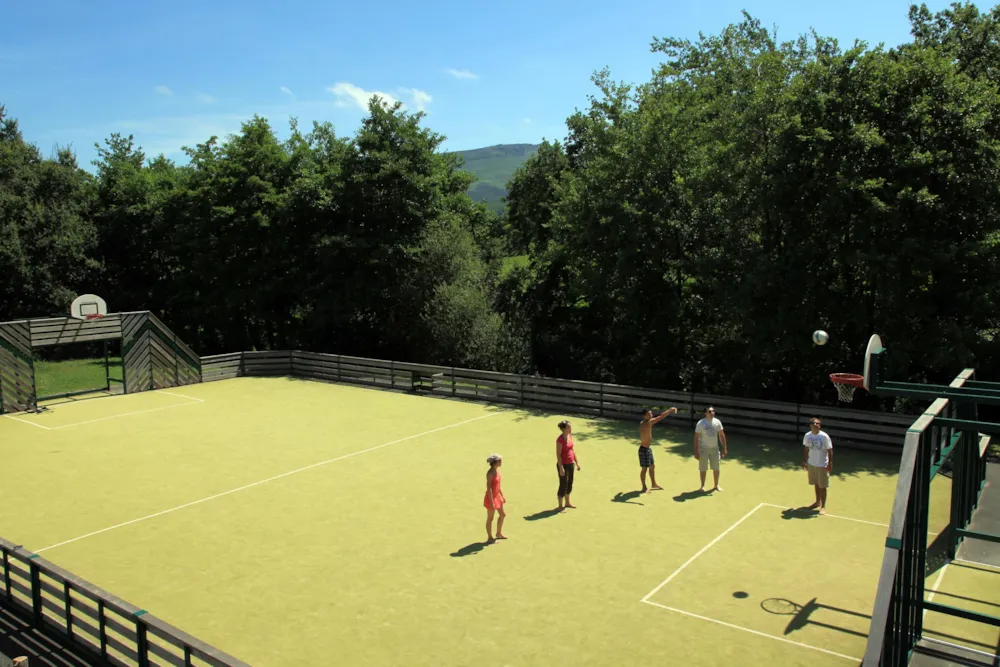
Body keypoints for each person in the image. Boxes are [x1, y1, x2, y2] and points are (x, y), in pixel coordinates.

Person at [639, 407, 678, 493]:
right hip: (643, 450)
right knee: (644, 469)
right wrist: (670, 410)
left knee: (652, 466)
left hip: (648, 448)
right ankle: (644, 487)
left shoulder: (644, 422)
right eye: (649, 414)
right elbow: (661, 416)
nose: (651, 415)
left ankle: (653, 483)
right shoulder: (647, 423)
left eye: (651, 413)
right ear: (644, 416)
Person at [802, 418, 833, 514]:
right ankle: (817, 502)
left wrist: (830, 463)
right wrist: (805, 461)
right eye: (813, 423)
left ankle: (823, 507)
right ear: (810, 425)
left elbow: (830, 450)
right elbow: (806, 448)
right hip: (812, 464)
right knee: (816, 484)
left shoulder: (824, 436)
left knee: (822, 486)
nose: (815, 424)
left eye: (817, 423)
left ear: (820, 425)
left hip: (822, 465)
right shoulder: (807, 435)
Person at [694, 407, 727, 492]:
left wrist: (724, 448)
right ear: (705, 413)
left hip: (715, 449)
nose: (712, 413)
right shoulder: (701, 423)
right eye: (710, 411)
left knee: (716, 468)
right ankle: (702, 486)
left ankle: (716, 485)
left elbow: (721, 435)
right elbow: (696, 437)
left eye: (713, 411)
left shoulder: (717, 422)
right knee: (703, 468)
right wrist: (696, 451)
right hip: (703, 449)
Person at [556, 420, 581, 510]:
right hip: (563, 465)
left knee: (569, 483)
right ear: (563, 429)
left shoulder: (570, 436)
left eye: (570, 427)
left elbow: (572, 451)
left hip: (571, 464)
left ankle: (567, 503)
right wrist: (561, 467)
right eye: (568, 427)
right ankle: (560, 506)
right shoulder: (560, 440)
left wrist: (577, 462)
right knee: (563, 484)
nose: (570, 429)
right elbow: (558, 455)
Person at [483, 453, 507, 542]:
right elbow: (489, 488)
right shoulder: (490, 473)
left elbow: (498, 485)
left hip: (497, 497)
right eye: (499, 461)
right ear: (494, 462)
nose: (501, 462)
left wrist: (502, 495)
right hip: (491, 499)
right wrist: (492, 502)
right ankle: (490, 537)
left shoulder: (497, 471)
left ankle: (498, 533)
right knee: (490, 518)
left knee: (502, 515)